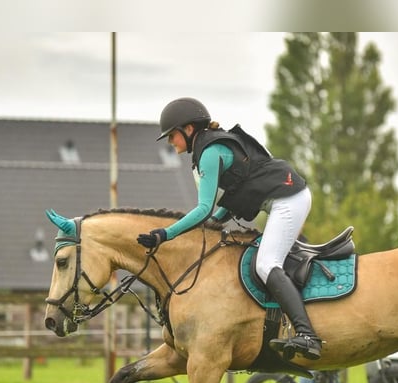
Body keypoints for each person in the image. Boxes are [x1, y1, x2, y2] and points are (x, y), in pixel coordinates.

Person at [137, 97, 321, 360]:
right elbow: (233, 197)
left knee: (266, 265)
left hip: (289, 199)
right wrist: (215, 223)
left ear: (189, 130)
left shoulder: (210, 152)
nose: (170, 142)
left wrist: (165, 234)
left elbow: (204, 210)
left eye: (172, 135)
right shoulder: (208, 146)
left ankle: (308, 335)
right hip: (282, 199)